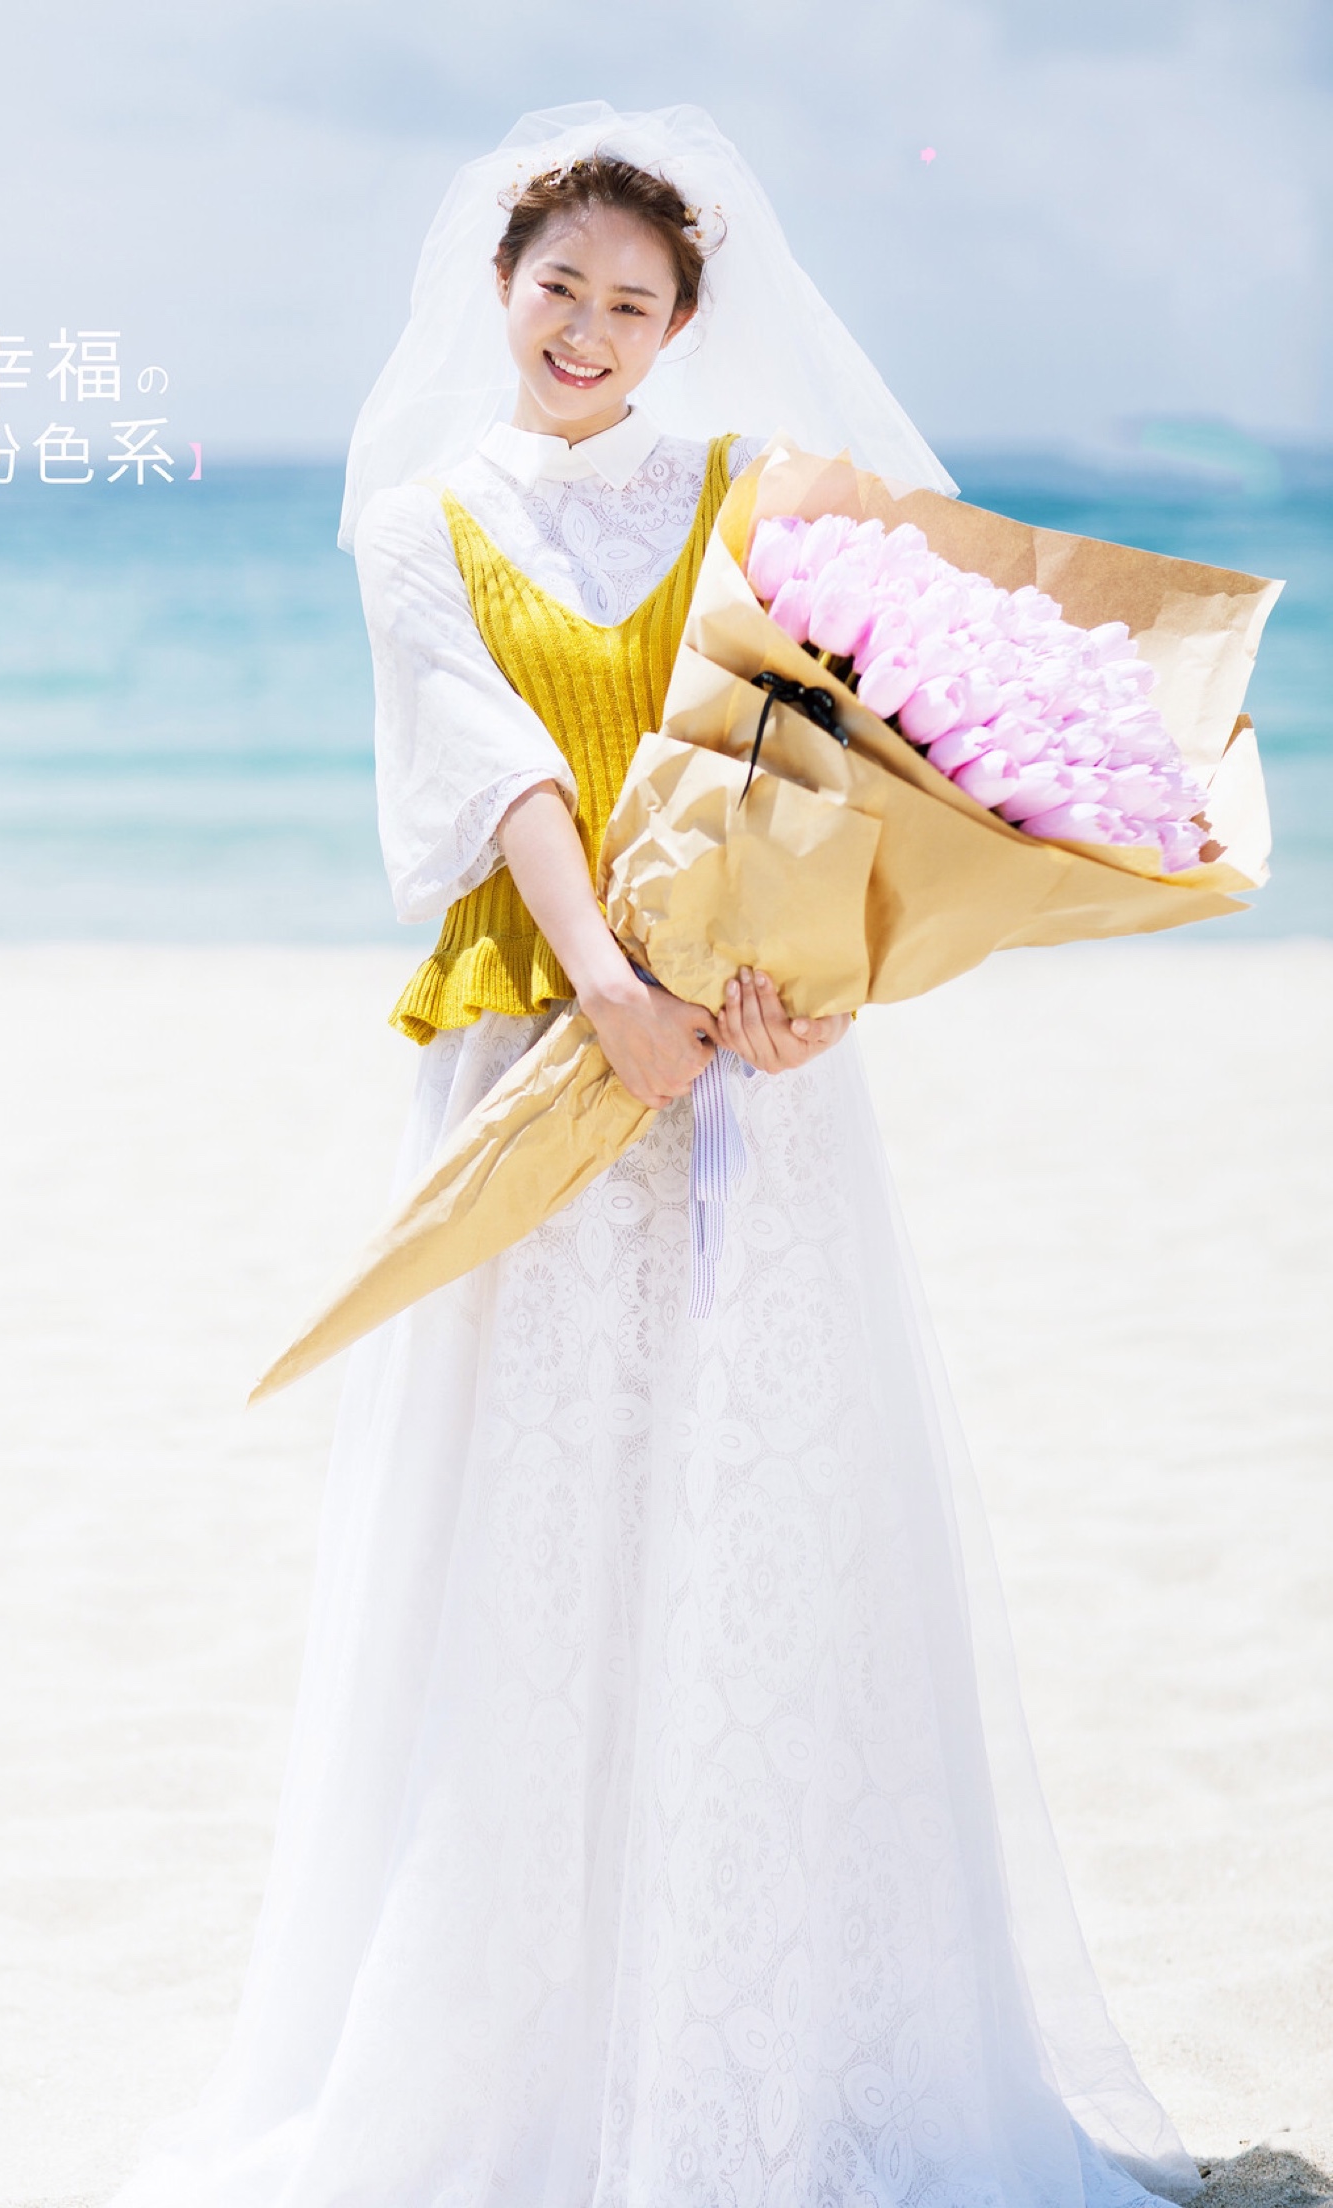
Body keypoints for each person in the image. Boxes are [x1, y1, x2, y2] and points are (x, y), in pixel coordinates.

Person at [113, 104, 1201, 2208]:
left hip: (744, 1064)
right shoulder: (419, 520)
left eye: (631, 301)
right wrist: (612, 986)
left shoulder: (746, 498)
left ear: (683, 323)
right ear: (498, 288)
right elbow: (495, 768)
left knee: (756, 1505)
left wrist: (816, 981)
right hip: (547, 1032)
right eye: (560, 289)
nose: (587, 329)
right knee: (532, 1522)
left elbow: (827, 760)